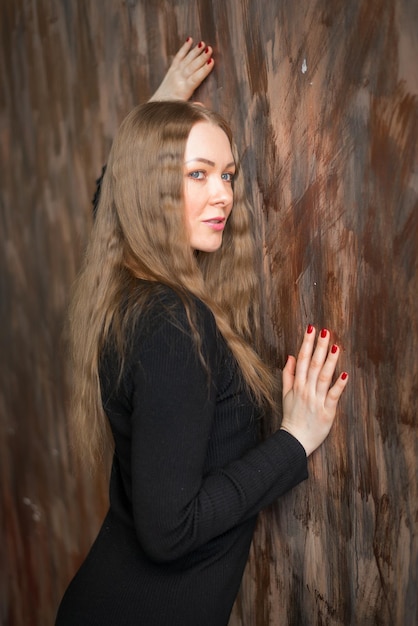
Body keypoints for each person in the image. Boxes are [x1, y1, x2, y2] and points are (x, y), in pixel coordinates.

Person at [56, 38, 348, 626]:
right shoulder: (171, 324)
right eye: (197, 174)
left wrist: (159, 112)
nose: (224, 195)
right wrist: (295, 439)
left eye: (228, 175)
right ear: (150, 187)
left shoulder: (125, 290)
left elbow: (107, 210)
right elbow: (169, 530)